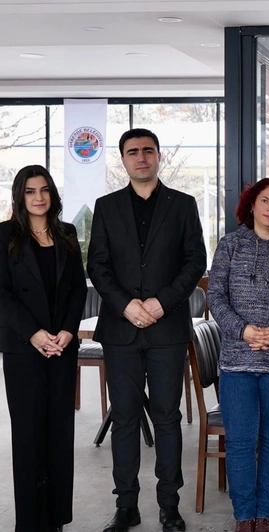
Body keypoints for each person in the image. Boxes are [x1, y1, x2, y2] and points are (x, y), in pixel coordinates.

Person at [87, 128, 207, 532]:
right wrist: (126, 305)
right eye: (133, 152)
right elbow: (97, 265)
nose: (141, 157)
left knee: (167, 418)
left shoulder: (183, 204)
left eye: (148, 151)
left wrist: (161, 303)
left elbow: (195, 261)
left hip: (166, 329)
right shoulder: (106, 207)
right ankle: (127, 506)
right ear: (123, 159)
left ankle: (169, 505)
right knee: (123, 419)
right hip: (120, 330)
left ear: (158, 156)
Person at [208, 178, 269, 532]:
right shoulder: (230, 245)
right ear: (251, 204)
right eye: (265, 201)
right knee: (240, 442)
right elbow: (215, 296)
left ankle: (264, 516)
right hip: (237, 362)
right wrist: (243, 330)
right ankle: (244, 517)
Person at [0, 165, 87, 532]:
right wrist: (34, 334)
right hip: (23, 349)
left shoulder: (67, 233)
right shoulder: (4, 235)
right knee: (29, 434)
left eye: (44, 189)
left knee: (60, 432)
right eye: (30, 191)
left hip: (61, 347)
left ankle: (56, 519)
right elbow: (2, 294)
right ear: (20, 196)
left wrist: (68, 330)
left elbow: (78, 287)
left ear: (52, 193)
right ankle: (30, 522)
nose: (39, 197)